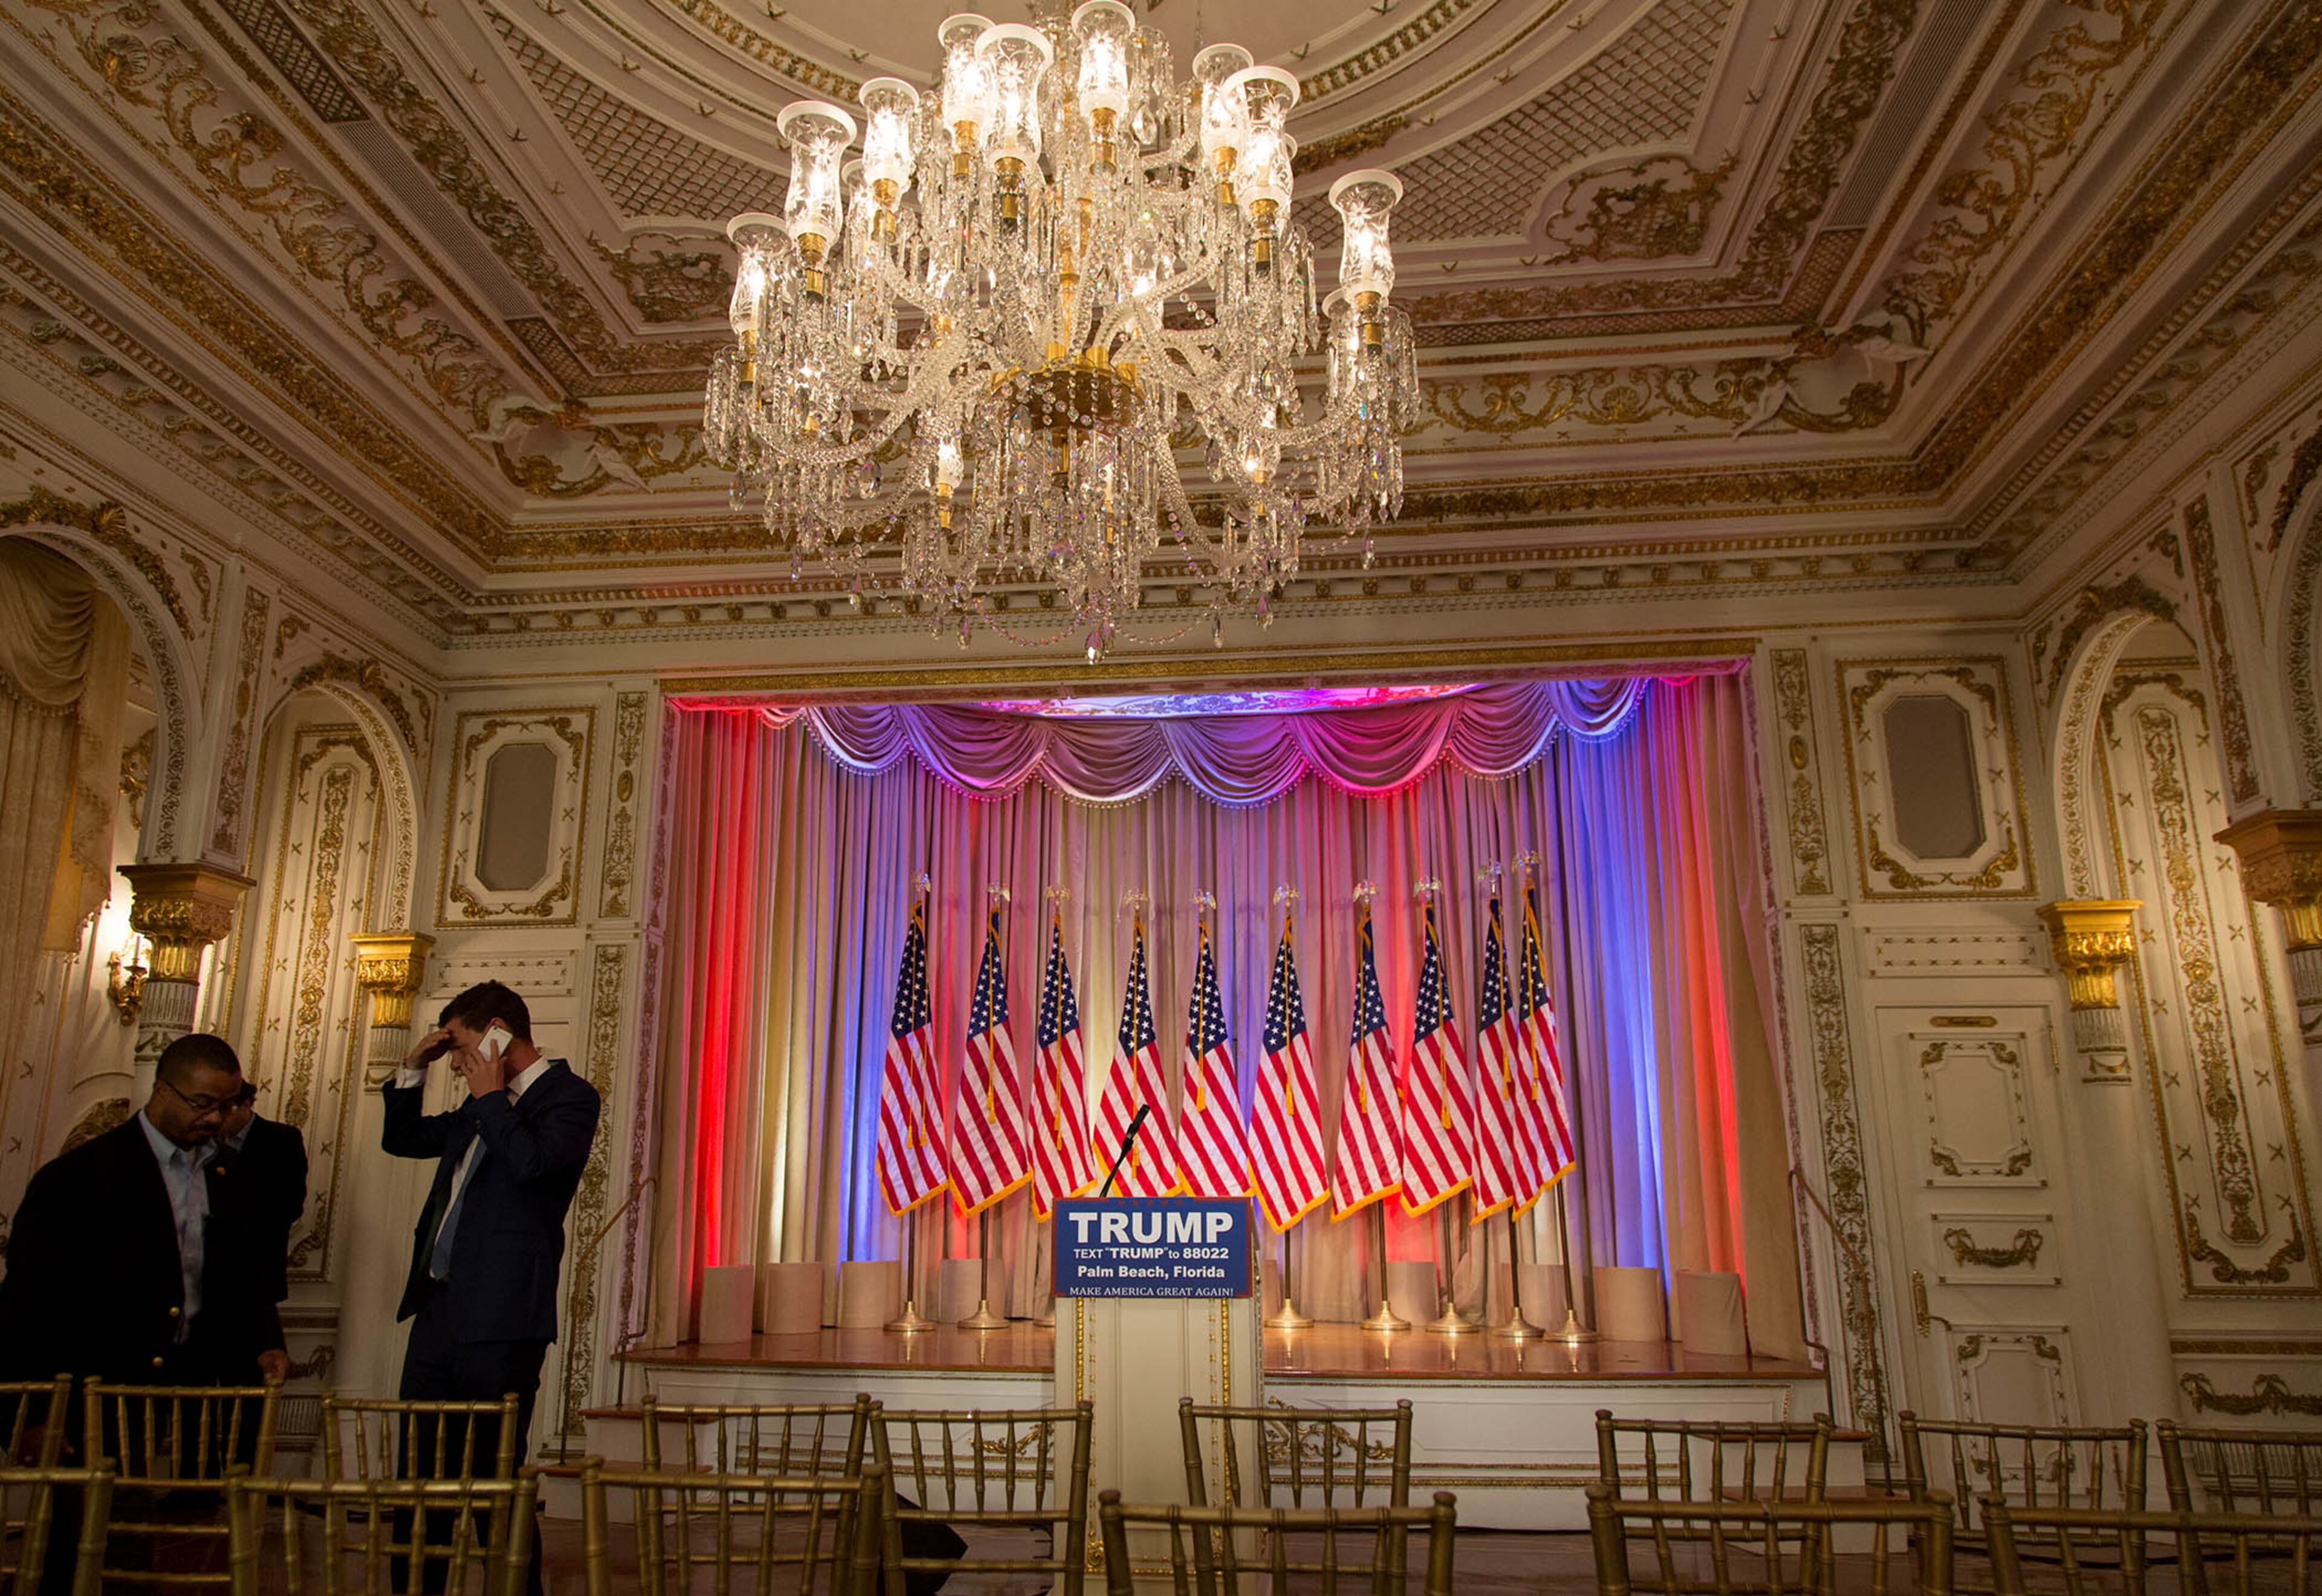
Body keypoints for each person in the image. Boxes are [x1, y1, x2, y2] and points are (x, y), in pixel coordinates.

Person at [382, 980, 599, 1594]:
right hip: (438, 1309)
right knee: (418, 1473)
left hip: (505, 1318)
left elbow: (533, 1167)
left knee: (493, 1476)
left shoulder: (569, 1097)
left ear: (499, 1031)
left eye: (462, 1045)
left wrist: (488, 1098)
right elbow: (402, 1140)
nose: (456, 1061)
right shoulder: (481, 1105)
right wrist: (411, 1069)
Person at [0, 1031, 289, 1386]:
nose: (216, 1119)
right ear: (163, 1091)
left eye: (227, 1106)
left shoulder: (231, 1175)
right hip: (100, 1391)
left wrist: (266, 1342)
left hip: (194, 1394)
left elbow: (247, 1274)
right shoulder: (79, 1176)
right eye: (202, 1104)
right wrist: (32, 1416)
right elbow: (30, 1299)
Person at [205, 1081, 309, 1385]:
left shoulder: (282, 1139)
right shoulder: (203, 1143)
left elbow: (290, 1205)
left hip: (256, 1278)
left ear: (247, 1104)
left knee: (249, 1386)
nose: (217, 1118)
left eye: (226, 1109)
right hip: (208, 1281)